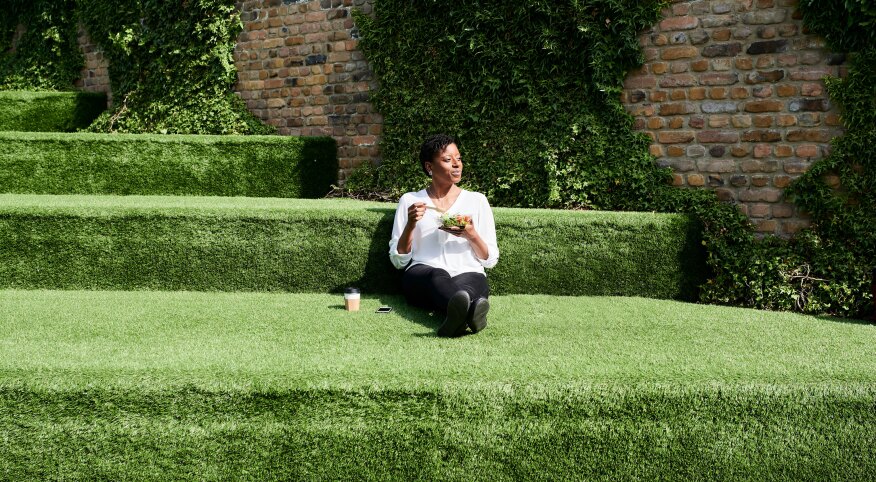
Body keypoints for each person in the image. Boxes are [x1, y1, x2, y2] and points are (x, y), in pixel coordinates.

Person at [389, 134, 500, 337]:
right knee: (438, 275)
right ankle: (471, 314)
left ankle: (457, 317)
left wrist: (471, 234)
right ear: (430, 167)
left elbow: (490, 259)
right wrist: (411, 223)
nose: (457, 165)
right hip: (423, 275)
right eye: (448, 160)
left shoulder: (477, 201)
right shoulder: (410, 200)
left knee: (467, 288)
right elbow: (399, 260)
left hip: (468, 272)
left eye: (459, 159)